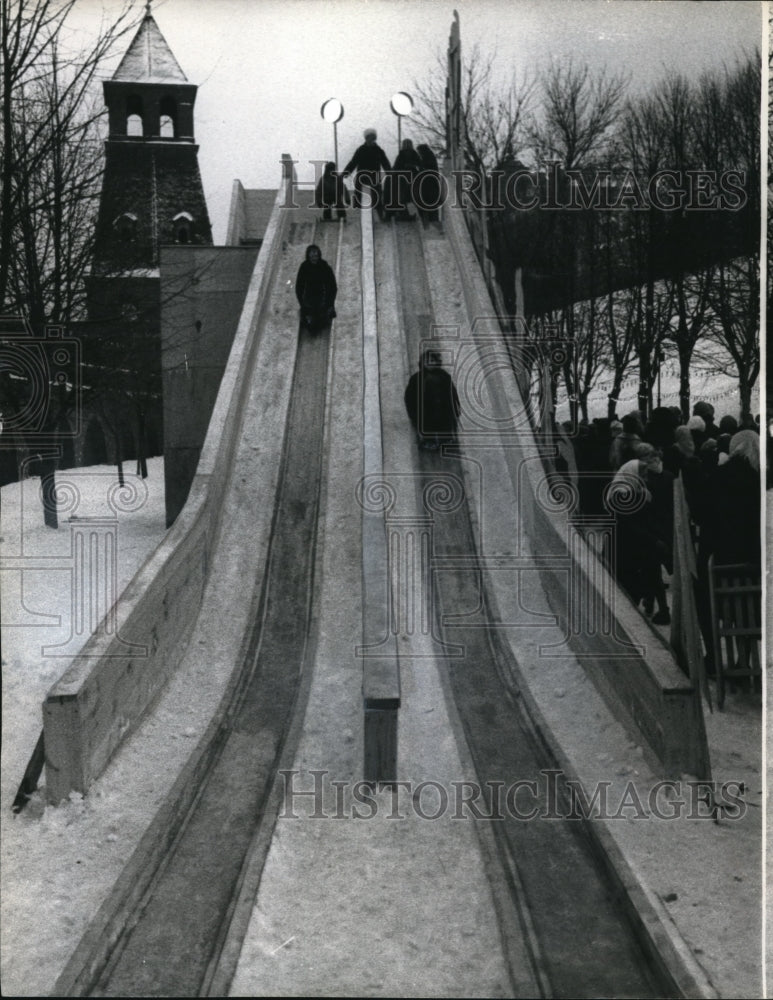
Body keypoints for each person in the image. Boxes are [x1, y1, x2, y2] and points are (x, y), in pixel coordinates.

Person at [404, 349, 461, 450]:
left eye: (432, 361)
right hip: (426, 410)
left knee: (444, 425)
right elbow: (410, 396)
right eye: (427, 361)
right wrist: (412, 412)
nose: (430, 364)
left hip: (443, 409)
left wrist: (455, 408)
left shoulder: (444, 376)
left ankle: (446, 440)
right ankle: (429, 441)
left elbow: (452, 393)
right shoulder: (416, 379)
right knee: (427, 426)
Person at [343, 128, 391, 219]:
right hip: (362, 176)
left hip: (374, 176)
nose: (371, 140)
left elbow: (385, 162)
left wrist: (390, 172)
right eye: (369, 138)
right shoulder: (361, 150)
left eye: (373, 138)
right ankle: (359, 215)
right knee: (359, 195)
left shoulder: (378, 150)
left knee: (377, 195)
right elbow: (353, 162)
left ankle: (380, 215)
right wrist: (345, 173)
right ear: (366, 138)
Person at [295, 244, 337, 333]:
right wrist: (302, 304)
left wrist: (330, 303)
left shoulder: (324, 266)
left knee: (322, 320)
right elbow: (299, 287)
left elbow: (332, 286)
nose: (314, 258)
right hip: (309, 297)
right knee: (311, 325)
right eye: (312, 256)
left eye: (316, 256)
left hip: (322, 296)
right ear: (308, 257)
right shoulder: (304, 267)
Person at [385, 138, 422, 220]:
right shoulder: (401, 155)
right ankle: (395, 212)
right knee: (397, 192)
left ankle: (398, 212)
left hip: (412, 178)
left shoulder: (414, 155)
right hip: (401, 178)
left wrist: (412, 166)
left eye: (408, 146)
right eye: (406, 146)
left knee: (403, 193)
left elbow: (420, 166)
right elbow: (396, 167)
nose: (407, 149)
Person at [415, 144, 443, 224]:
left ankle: (430, 222)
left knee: (429, 206)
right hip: (431, 186)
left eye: (419, 152)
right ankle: (432, 222)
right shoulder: (430, 156)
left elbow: (424, 169)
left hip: (429, 186)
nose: (419, 153)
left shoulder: (427, 157)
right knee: (431, 208)